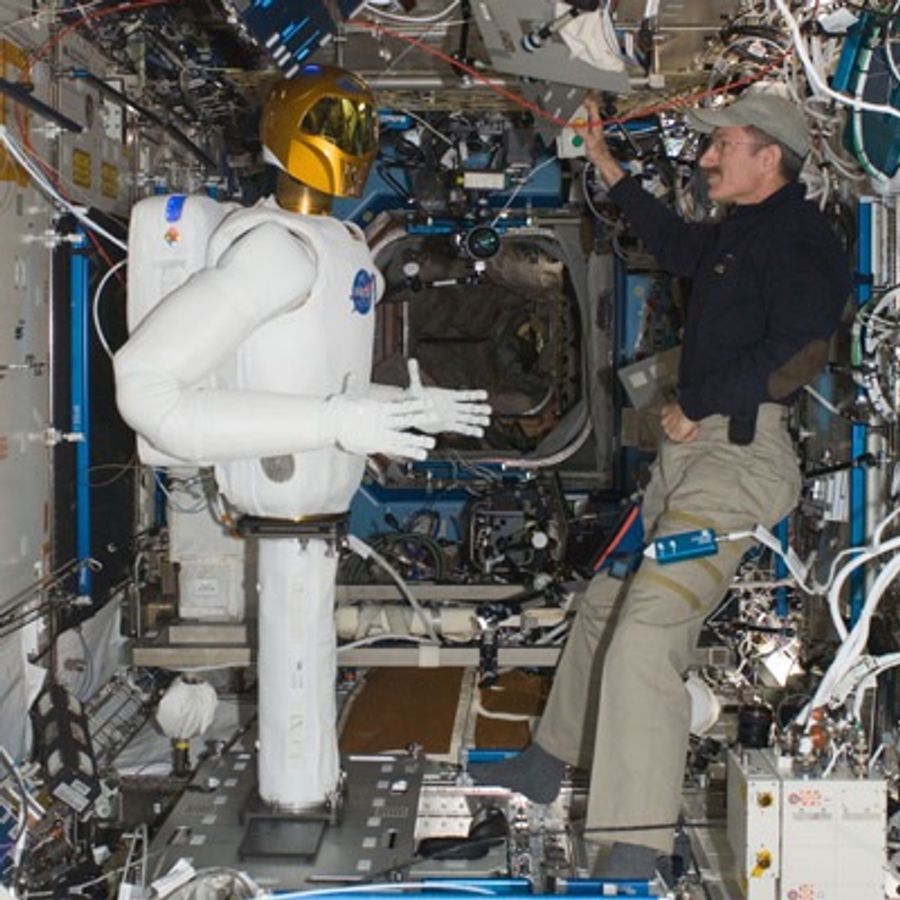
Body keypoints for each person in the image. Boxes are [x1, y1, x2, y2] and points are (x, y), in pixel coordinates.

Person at [469, 90, 851, 877]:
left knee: (647, 634)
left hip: (735, 463)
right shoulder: (742, 231)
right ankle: (546, 763)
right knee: (607, 606)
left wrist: (700, 404)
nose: (706, 158)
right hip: (689, 463)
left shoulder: (802, 238)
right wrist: (606, 164)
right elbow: (675, 244)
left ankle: (634, 843)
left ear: (768, 157)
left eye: (721, 146)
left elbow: (801, 351)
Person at [114, 65, 491, 811]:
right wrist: (336, 422)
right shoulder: (276, 251)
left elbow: (319, 383)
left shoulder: (340, 243)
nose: (349, 144)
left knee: (310, 656)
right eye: (333, 125)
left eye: (359, 128)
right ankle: (294, 813)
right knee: (295, 665)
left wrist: (406, 408)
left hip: (316, 512)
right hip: (285, 503)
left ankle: (309, 802)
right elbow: (145, 384)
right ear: (286, 130)